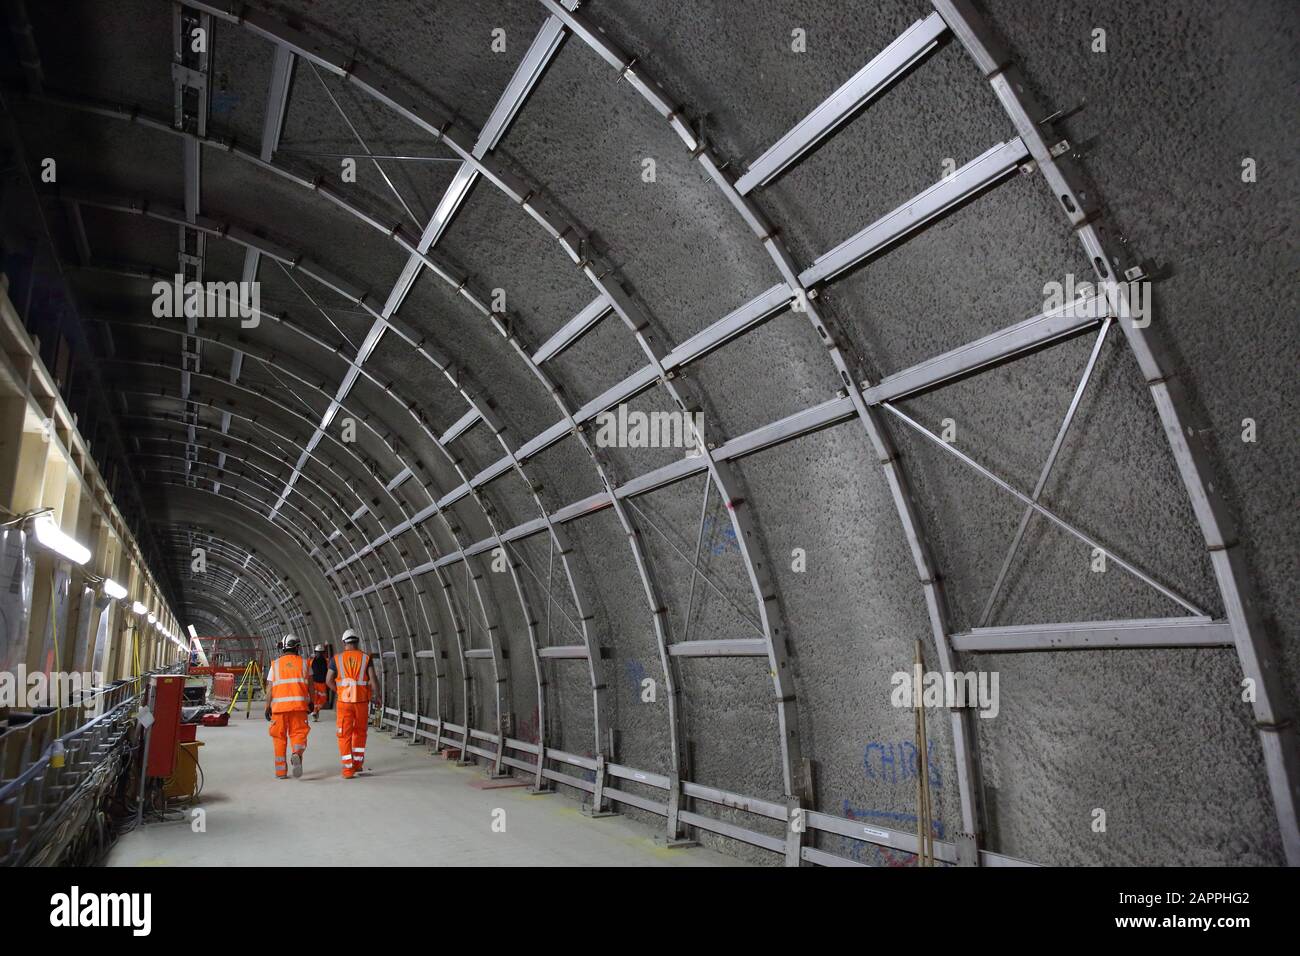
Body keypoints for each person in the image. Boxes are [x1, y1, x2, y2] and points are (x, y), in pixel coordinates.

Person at [326, 629, 376, 778]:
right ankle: (357, 764)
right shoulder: (366, 658)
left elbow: (328, 680)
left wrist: (339, 691)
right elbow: (373, 680)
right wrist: (377, 696)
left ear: (344, 643)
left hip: (344, 702)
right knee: (360, 732)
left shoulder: (336, 659)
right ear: (357, 641)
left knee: (344, 734)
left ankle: (348, 770)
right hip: (361, 702)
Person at [263, 634, 314, 779]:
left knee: (279, 738)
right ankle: (296, 754)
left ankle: (281, 772)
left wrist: (268, 707)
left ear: (283, 648)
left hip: (279, 710)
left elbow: (269, 688)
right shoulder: (305, 664)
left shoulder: (275, 665)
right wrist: (312, 702)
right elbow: (311, 686)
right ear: (297, 647)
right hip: (299, 708)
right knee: (298, 734)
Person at [310, 644, 330, 720]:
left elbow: (329, 671)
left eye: (321, 652)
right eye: (318, 652)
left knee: (323, 699)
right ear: (315, 652)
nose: (319, 654)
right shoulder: (311, 661)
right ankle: (315, 711)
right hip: (314, 683)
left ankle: (316, 710)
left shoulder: (327, 661)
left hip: (322, 683)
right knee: (315, 698)